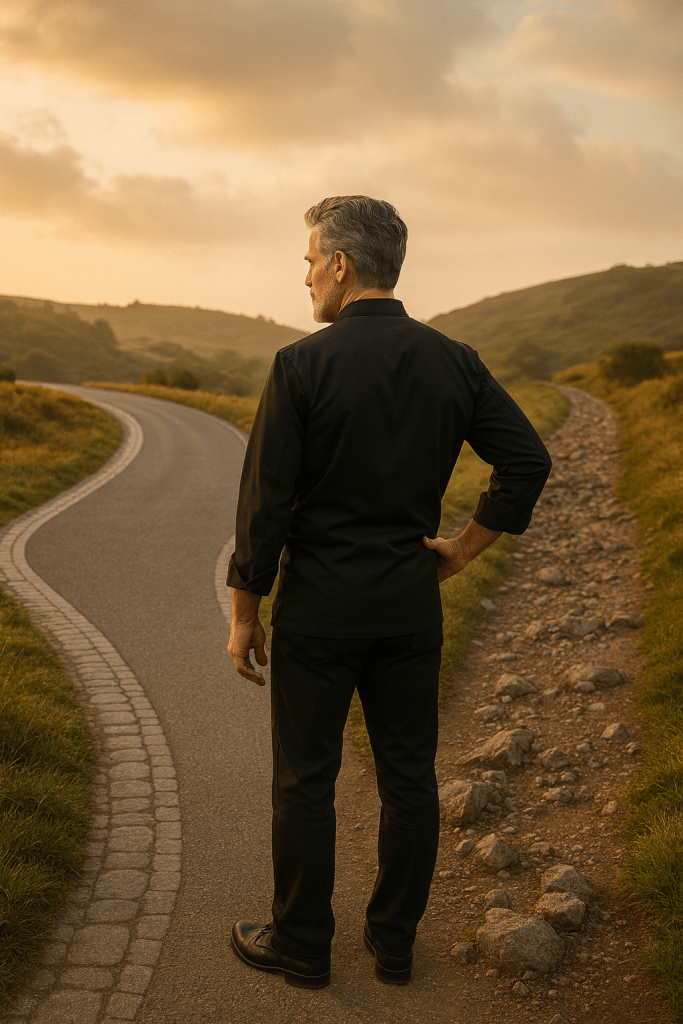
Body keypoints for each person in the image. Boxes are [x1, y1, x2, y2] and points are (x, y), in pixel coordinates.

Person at [226, 196, 551, 989]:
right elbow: (526, 462)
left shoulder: (300, 364)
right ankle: (393, 943)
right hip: (409, 606)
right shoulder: (454, 360)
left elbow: (265, 504)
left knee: (305, 779)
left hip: (319, 609)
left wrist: (244, 612)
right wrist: (459, 552)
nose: (306, 276)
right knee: (409, 777)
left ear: (340, 265)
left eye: (311, 261)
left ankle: (302, 944)